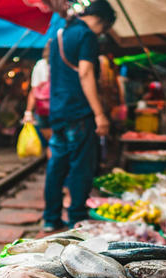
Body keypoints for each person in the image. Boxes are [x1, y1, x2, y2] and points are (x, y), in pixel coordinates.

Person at [43, 0, 115, 231]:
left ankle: (50, 219)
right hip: (79, 111)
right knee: (81, 166)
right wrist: (99, 113)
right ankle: (76, 218)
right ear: (101, 20)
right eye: (104, 29)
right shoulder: (87, 36)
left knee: (57, 165)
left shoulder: (60, 33)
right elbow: (85, 73)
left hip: (59, 111)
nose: (102, 34)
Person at [23, 42, 52, 154]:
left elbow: (34, 91)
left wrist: (28, 112)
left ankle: (52, 167)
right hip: (60, 106)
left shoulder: (40, 65)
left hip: (42, 108)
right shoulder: (65, 63)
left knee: (51, 142)